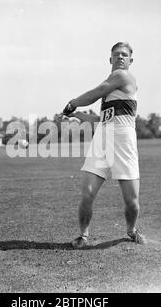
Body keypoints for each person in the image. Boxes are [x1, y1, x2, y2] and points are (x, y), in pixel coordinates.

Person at [62, 42, 147, 248]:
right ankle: (83, 235)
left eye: (124, 55)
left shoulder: (123, 77)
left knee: (131, 201)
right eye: (116, 54)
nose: (120, 57)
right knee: (87, 193)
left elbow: (96, 92)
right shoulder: (112, 89)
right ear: (110, 59)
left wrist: (73, 103)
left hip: (123, 143)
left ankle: (131, 230)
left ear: (130, 61)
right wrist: (78, 115)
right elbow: (103, 120)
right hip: (102, 142)